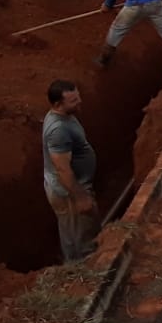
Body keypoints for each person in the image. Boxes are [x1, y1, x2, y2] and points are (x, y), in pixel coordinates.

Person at [42, 79, 100, 263]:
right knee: (80, 238)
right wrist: (80, 197)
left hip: (72, 188)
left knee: (77, 231)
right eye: (74, 101)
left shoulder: (65, 116)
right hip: (68, 192)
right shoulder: (58, 130)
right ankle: (82, 270)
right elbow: (62, 168)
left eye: (78, 97)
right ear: (58, 104)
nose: (80, 102)